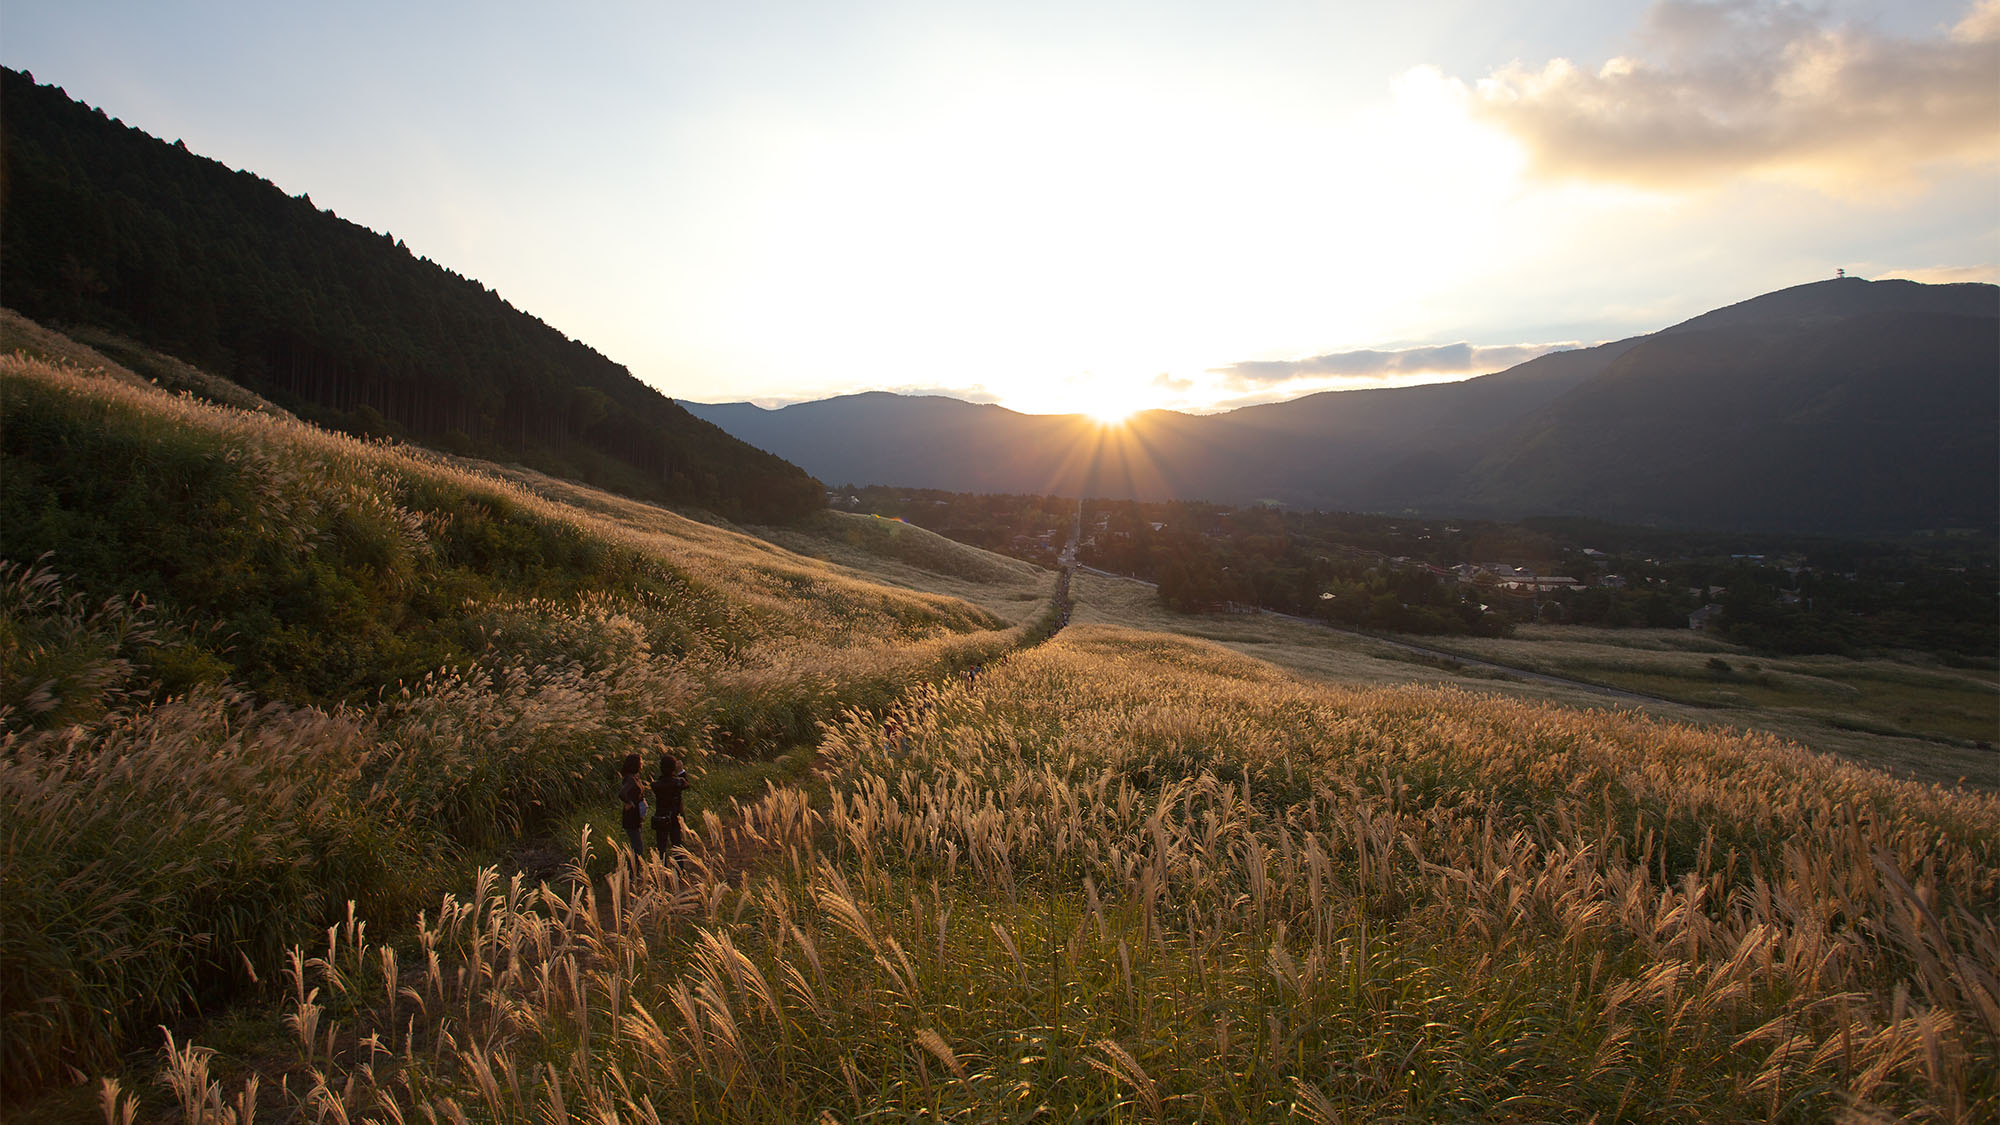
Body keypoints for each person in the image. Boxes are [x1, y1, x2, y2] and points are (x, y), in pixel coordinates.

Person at [652, 749, 689, 858]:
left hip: (661, 817)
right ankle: (679, 871)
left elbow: (660, 782)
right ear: (673, 767)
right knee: (677, 847)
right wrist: (681, 770)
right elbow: (686, 783)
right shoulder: (678, 782)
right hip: (675, 818)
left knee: (661, 848)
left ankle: (663, 871)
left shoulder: (655, 785)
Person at [618, 753, 647, 860]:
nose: (642, 763)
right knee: (637, 847)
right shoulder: (630, 779)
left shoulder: (633, 777)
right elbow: (622, 793)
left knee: (637, 845)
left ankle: (634, 871)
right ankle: (632, 873)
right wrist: (630, 803)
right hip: (631, 816)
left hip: (635, 815)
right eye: (640, 762)